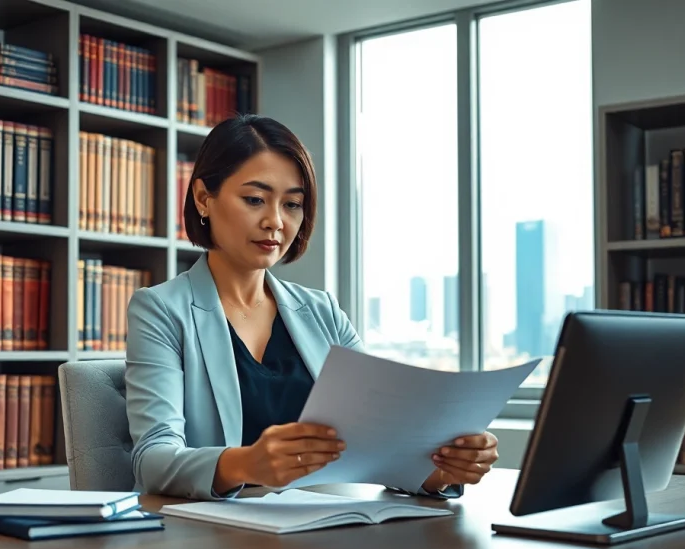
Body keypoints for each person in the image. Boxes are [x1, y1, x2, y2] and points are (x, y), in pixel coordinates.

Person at [123, 114, 499, 501]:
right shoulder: (161, 310)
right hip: (217, 537)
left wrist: (442, 469)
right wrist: (245, 464)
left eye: (292, 204)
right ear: (204, 198)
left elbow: (379, 441)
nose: (275, 222)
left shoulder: (323, 312)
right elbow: (153, 459)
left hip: (326, 528)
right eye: (254, 200)